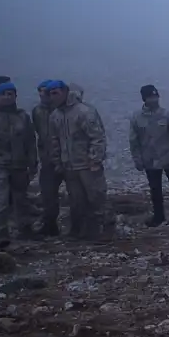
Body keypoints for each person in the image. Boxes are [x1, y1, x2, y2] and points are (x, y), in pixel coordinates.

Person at [49, 82, 113, 242]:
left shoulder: (83, 111)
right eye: (50, 94)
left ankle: (107, 228)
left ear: (65, 92)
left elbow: (97, 137)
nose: (53, 97)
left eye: (55, 93)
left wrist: (95, 159)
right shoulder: (55, 116)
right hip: (69, 165)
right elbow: (54, 141)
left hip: (87, 164)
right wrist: (58, 161)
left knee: (96, 197)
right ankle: (86, 231)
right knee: (77, 200)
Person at [129, 85, 169, 227]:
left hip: (168, 157)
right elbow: (133, 140)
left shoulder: (167, 115)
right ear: (144, 99)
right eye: (150, 97)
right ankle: (159, 216)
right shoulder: (136, 117)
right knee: (155, 190)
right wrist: (137, 159)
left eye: (155, 97)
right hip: (149, 159)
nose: (154, 100)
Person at [0, 82, 37, 248]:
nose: (8, 97)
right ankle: (0, 234)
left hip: (19, 164)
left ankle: (25, 228)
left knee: (22, 198)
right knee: (1, 199)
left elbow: (30, 141)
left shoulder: (22, 116)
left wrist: (33, 162)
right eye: (4, 93)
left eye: (11, 94)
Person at [32, 81, 62, 236]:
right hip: (47, 159)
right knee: (48, 194)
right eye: (40, 92)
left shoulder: (62, 109)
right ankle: (50, 225)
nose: (43, 95)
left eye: (46, 92)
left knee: (78, 193)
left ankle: (81, 225)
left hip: (66, 158)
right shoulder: (37, 111)